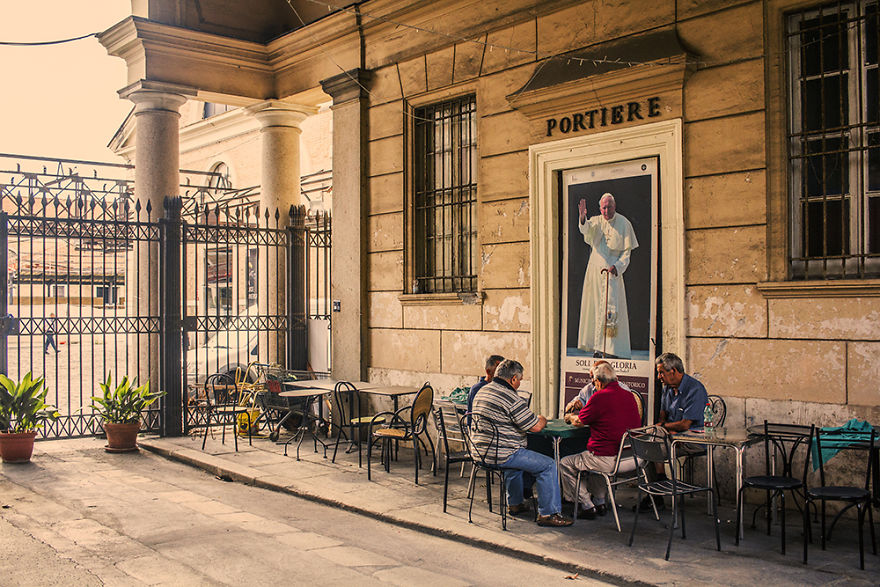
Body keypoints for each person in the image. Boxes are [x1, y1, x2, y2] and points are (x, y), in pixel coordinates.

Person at [470, 359, 572, 527]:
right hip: (501, 453)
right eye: (520, 379)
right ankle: (549, 513)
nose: (520, 383)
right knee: (548, 465)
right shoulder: (510, 397)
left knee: (516, 461)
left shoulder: (483, 390)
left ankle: (515, 504)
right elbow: (536, 426)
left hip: (480, 452)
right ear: (513, 379)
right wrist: (542, 418)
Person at [559, 363, 641, 519]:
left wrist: (570, 417)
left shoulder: (600, 396)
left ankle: (587, 505)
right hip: (630, 457)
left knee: (566, 463)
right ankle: (600, 501)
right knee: (594, 462)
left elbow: (579, 421)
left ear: (598, 381)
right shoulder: (629, 395)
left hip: (607, 458)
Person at [636, 352, 709, 512]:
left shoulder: (694, 389)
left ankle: (656, 492)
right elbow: (663, 415)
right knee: (646, 447)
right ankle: (658, 487)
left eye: (661, 372)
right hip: (670, 438)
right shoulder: (667, 389)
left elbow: (684, 425)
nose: (658, 376)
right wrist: (665, 428)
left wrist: (664, 427)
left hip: (693, 440)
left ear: (674, 371)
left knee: (651, 445)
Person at [576, 193, 638, 359]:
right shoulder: (596, 221)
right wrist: (582, 217)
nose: (606, 210)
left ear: (614, 206)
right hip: (595, 272)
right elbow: (585, 229)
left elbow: (626, 253)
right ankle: (597, 348)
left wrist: (617, 267)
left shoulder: (624, 223)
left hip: (613, 274)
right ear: (599, 208)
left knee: (611, 312)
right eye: (603, 207)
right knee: (595, 309)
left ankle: (612, 349)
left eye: (609, 207)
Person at [564, 359, 634, 419]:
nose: (592, 381)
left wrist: (572, 418)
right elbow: (569, 407)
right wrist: (573, 404)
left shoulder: (623, 390)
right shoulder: (589, 388)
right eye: (591, 377)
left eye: (594, 377)